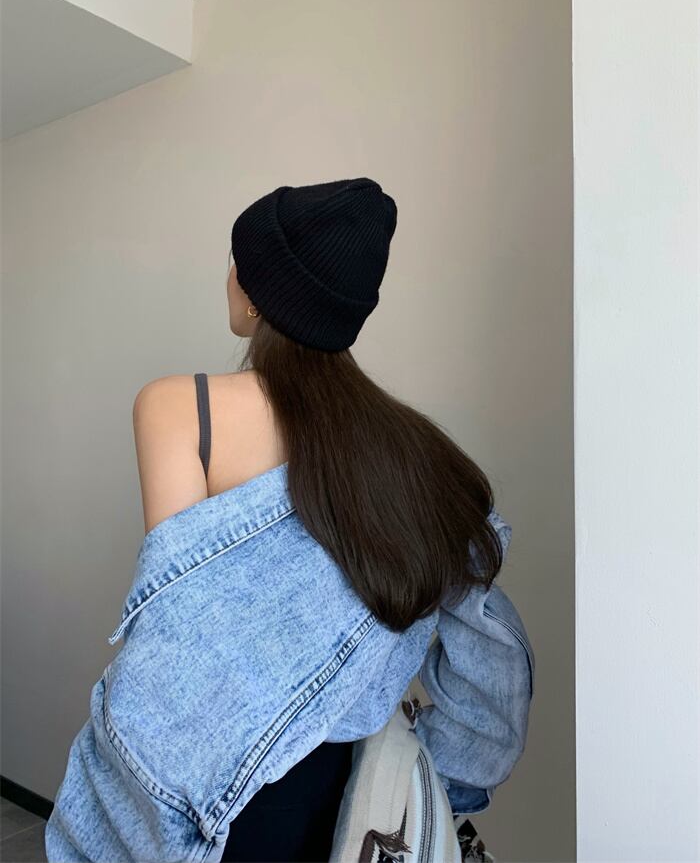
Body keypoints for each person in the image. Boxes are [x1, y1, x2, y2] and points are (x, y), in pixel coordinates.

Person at [46, 178, 528, 863]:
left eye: (237, 261)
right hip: (346, 798)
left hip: (217, 798)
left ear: (257, 291)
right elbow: (489, 657)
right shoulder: (418, 455)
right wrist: (445, 779)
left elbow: (182, 647)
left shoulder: (179, 406)